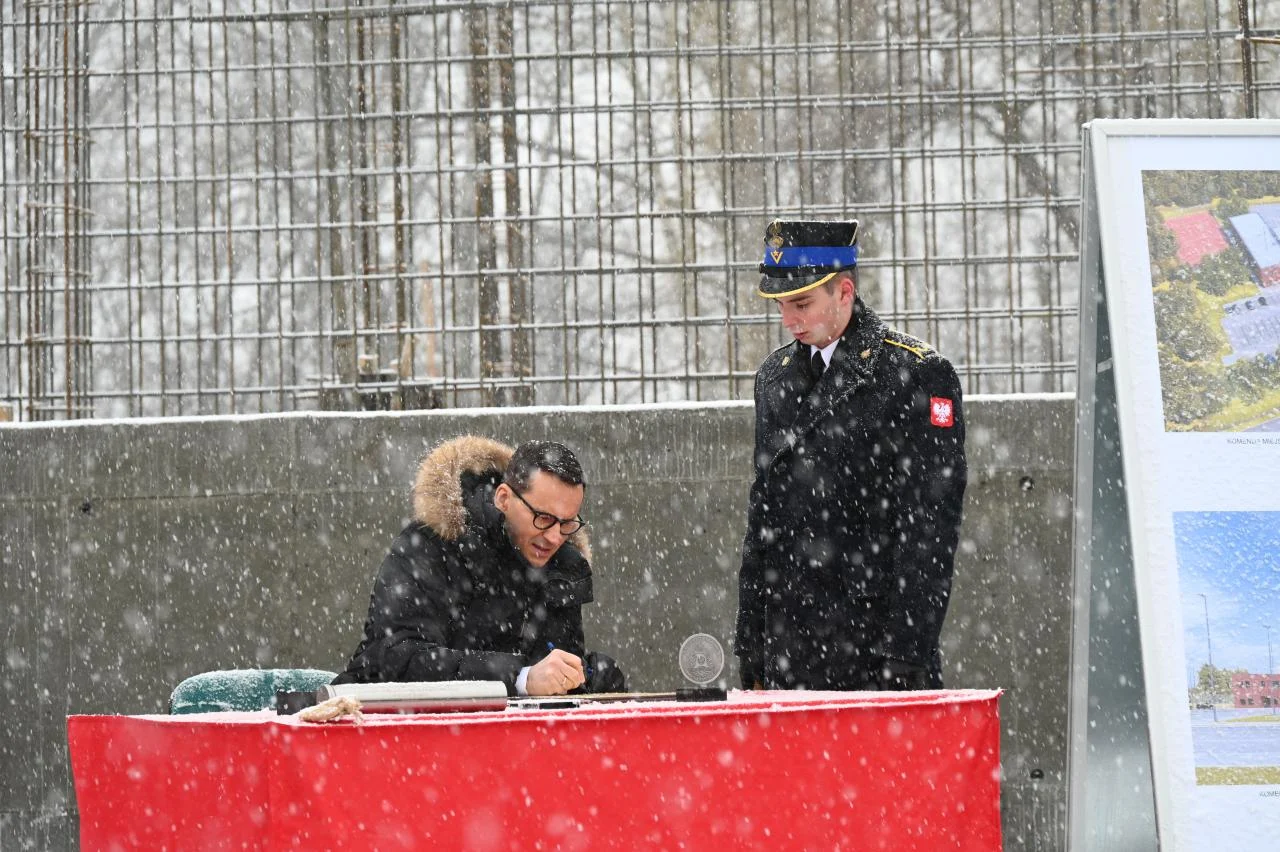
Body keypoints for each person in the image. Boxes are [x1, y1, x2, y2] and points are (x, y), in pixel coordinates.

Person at [735, 219, 967, 692]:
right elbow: (764, 518)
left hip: (872, 649)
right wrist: (751, 641)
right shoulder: (774, 379)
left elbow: (929, 529)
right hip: (791, 648)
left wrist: (907, 650)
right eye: (781, 305)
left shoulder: (914, 374)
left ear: (844, 292)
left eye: (802, 303)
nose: (789, 319)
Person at [334, 436, 624, 696]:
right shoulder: (431, 543)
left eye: (567, 523)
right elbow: (394, 660)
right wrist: (519, 678)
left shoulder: (564, 565)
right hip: (381, 732)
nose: (554, 536)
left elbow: (552, 674)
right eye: (544, 518)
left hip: (503, 743)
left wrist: (588, 676)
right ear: (503, 498)